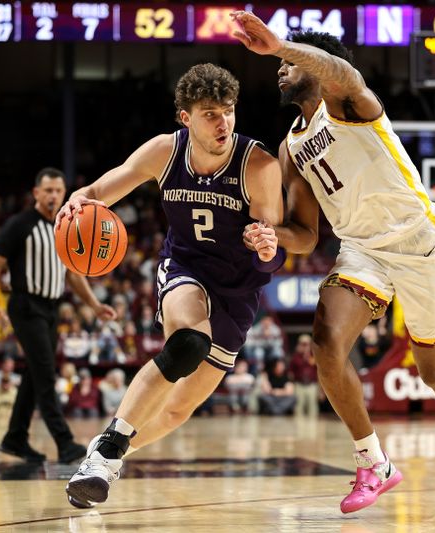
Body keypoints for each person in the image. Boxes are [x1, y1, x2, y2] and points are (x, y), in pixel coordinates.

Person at [232, 13, 435, 513]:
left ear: (314, 65)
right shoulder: (290, 147)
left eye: (290, 63)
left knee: (431, 371)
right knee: (324, 342)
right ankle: (374, 462)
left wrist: (281, 46)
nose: (279, 70)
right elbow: (307, 234)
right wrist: (271, 237)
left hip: (419, 240)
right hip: (362, 249)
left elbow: (344, 72)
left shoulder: (349, 102)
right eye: (280, 63)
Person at [59, 63, 283, 509]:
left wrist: (267, 246)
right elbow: (101, 189)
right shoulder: (165, 151)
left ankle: (105, 453)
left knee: (178, 410)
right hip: (185, 267)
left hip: (238, 290)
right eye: (210, 113)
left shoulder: (259, 165)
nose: (223, 123)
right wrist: (77, 198)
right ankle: (105, 456)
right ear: (185, 117)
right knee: (187, 345)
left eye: (229, 111)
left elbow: (274, 254)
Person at [0, 168, 117, 464]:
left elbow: (73, 273)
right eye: (49, 190)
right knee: (45, 373)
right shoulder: (20, 224)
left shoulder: (64, 226)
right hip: (26, 306)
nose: (54, 195)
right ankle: (65, 442)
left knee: (34, 373)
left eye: (59, 190)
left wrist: (94, 305)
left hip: (52, 309)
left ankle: (15, 438)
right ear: (36, 193)